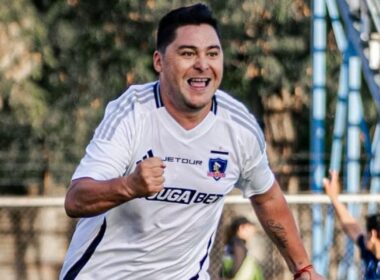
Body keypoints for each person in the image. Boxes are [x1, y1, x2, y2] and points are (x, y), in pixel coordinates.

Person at [59, 3, 325, 280]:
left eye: (213, 53)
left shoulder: (238, 128)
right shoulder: (132, 112)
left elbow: (267, 196)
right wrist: (129, 186)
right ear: (159, 62)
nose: (202, 64)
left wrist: (302, 267)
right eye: (188, 53)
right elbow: (76, 199)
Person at [323, 171, 380, 279]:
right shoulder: (370, 253)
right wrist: (334, 198)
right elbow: (350, 227)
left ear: (373, 234)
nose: (364, 235)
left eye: (366, 233)